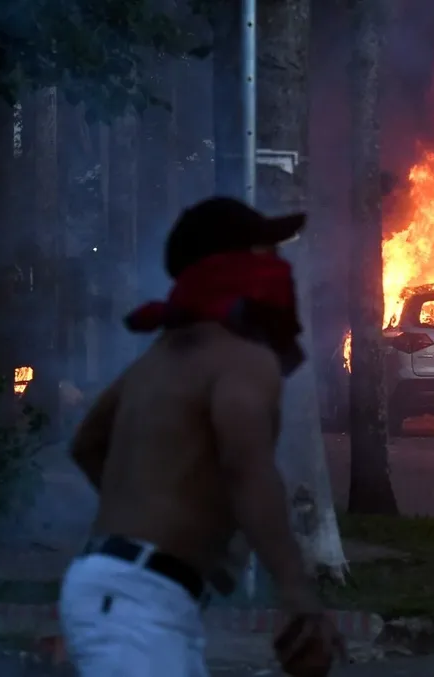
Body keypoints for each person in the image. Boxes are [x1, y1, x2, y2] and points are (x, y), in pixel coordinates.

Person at [58, 197, 345, 677]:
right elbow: (247, 469)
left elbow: (87, 445)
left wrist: (167, 518)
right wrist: (297, 593)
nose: (276, 264)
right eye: (262, 252)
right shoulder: (242, 359)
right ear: (229, 267)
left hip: (133, 592)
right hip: (136, 604)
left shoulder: (159, 360)